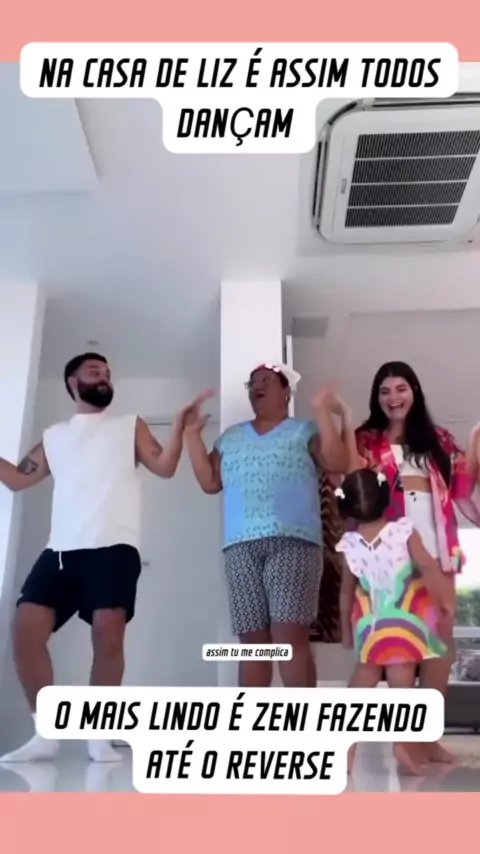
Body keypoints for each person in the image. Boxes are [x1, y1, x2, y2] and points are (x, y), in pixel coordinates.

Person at [0, 352, 207, 763]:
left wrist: (180, 428)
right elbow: (18, 479)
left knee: (107, 637)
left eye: (108, 373)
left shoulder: (130, 425)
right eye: (95, 371)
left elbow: (165, 467)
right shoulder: (54, 437)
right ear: (73, 382)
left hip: (114, 547)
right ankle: (47, 733)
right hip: (60, 551)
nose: (104, 377)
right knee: (24, 633)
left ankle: (99, 735)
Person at [185, 362, 350, 688]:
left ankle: (300, 720)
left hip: (294, 541)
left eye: (266, 381)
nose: (257, 387)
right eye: (252, 383)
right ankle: (252, 721)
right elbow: (210, 481)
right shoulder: (231, 437)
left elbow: (337, 462)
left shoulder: (305, 430)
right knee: (252, 644)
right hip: (240, 547)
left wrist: (322, 412)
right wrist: (191, 435)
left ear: (286, 392)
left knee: (289, 637)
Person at [354, 361, 480, 763]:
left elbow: (461, 489)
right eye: (385, 391)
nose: (393, 398)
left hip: (439, 552)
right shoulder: (365, 440)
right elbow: (352, 491)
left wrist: (474, 441)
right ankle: (401, 741)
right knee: (397, 651)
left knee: (440, 649)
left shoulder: (438, 439)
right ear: (377, 398)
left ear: (415, 391)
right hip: (390, 554)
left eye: (401, 389)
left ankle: (426, 737)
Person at [335, 469, 453, 776]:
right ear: (386, 498)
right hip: (404, 624)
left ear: (347, 507)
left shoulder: (349, 545)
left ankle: (345, 745)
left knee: (361, 682)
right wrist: (443, 602)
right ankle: (402, 744)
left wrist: (345, 631)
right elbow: (428, 566)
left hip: (370, 626)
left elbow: (346, 593)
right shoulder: (403, 531)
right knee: (403, 687)